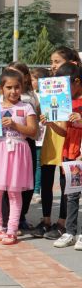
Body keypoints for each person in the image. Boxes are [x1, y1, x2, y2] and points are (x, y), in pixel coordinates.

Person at [0, 69, 38, 245]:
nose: (13, 91)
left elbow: (33, 132)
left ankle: (12, 229)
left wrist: (14, 125)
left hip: (18, 151)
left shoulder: (26, 107)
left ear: (22, 87)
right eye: (9, 87)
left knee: (14, 192)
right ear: (1, 89)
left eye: (17, 87)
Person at [33, 49, 80, 239]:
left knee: (66, 183)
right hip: (53, 137)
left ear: (71, 64)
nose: (53, 65)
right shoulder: (50, 86)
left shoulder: (73, 88)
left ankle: (63, 223)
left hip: (70, 142)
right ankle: (46, 220)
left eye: (57, 61)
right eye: (52, 61)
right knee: (46, 177)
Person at [49, 64, 82, 248]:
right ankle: (70, 231)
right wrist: (51, 124)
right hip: (71, 155)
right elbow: (63, 132)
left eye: (65, 86)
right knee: (71, 194)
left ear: (77, 81)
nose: (63, 91)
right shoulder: (66, 103)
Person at [6, 62, 40, 233]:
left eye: (18, 74)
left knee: (27, 181)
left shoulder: (31, 98)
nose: (13, 89)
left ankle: (21, 216)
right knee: (8, 181)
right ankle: (8, 217)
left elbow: (37, 118)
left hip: (27, 142)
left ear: (26, 77)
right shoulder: (4, 100)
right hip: (8, 142)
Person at [30, 67, 51, 200]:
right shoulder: (32, 95)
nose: (31, 82)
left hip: (44, 134)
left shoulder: (46, 95)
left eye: (33, 79)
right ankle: (36, 189)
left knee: (39, 163)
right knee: (36, 163)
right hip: (36, 133)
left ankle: (37, 191)